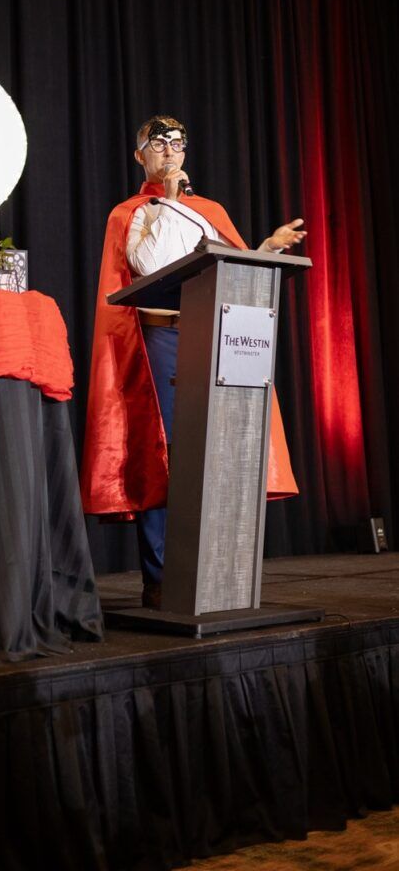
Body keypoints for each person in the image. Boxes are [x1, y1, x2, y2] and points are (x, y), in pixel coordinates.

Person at [80, 115, 306, 609]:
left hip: (216, 335)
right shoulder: (132, 212)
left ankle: (219, 568)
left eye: (177, 143)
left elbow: (236, 269)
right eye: (158, 143)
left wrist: (266, 249)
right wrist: (169, 200)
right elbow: (150, 265)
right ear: (140, 155)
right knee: (168, 453)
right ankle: (163, 576)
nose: (169, 150)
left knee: (221, 449)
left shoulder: (210, 211)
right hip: (161, 339)